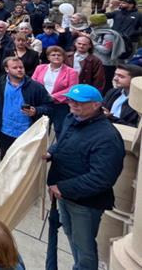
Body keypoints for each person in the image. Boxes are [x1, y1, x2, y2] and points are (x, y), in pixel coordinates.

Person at [45, 84, 125, 270]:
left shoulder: (107, 137)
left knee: (84, 246)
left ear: (96, 105)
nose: (72, 104)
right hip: (64, 194)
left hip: (85, 204)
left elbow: (102, 178)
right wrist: (51, 152)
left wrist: (63, 188)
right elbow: (62, 142)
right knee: (71, 235)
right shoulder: (71, 118)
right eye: (71, 99)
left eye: (79, 102)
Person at [0, 57, 52, 158]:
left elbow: (49, 106)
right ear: (7, 69)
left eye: (21, 67)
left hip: (26, 132)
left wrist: (36, 111)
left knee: (22, 160)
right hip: (4, 130)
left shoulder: (36, 87)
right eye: (15, 67)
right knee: (5, 157)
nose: (19, 69)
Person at [32, 46, 79, 137]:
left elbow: (72, 89)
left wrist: (53, 97)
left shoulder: (72, 72)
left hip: (60, 106)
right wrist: (42, 96)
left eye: (59, 55)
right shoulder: (40, 68)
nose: (56, 57)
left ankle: (60, 150)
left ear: (63, 57)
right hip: (43, 104)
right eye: (53, 55)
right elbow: (33, 83)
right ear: (48, 57)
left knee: (61, 131)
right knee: (41, 131)